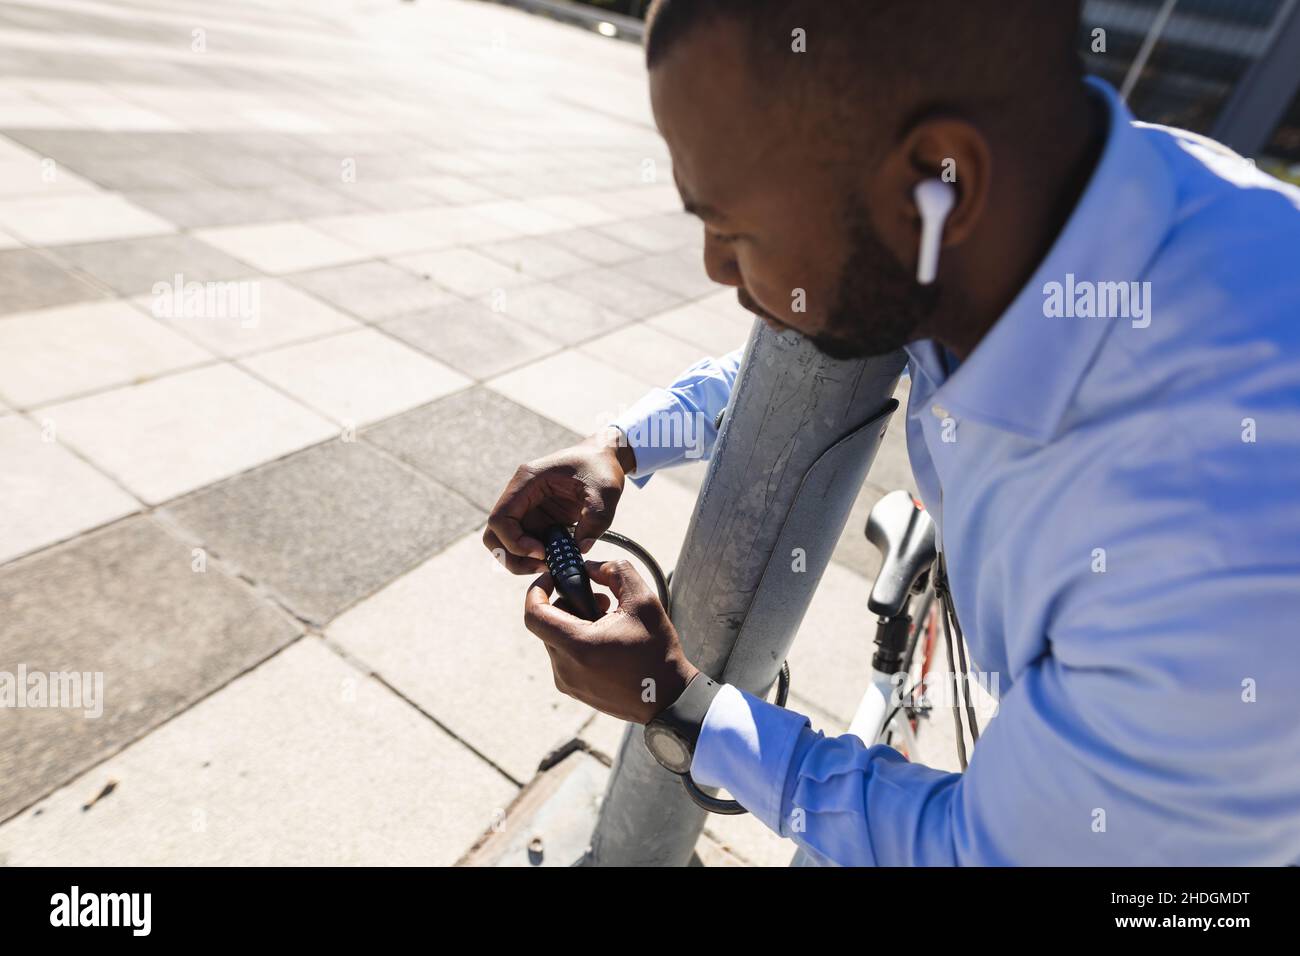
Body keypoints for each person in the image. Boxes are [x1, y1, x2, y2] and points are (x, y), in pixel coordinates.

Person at [484, 0, 1300, 864]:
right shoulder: (1040, 210)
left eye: (731, 229)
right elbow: (849, 322)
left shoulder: (1222, 546)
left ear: (940, 179)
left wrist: (684, 707)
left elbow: (977, 851)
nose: (715, 268)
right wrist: (626, 447)